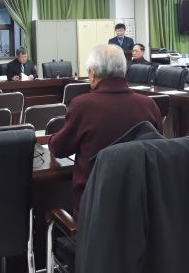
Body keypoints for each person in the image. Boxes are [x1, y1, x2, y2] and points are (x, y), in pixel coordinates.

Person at [49, 44, 163, 214]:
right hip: (140, 206)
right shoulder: (149, 105)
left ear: (93, 73)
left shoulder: (83, 105)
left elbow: (59, 148)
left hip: (95, 209)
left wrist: (51, 139)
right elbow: (158, 149)